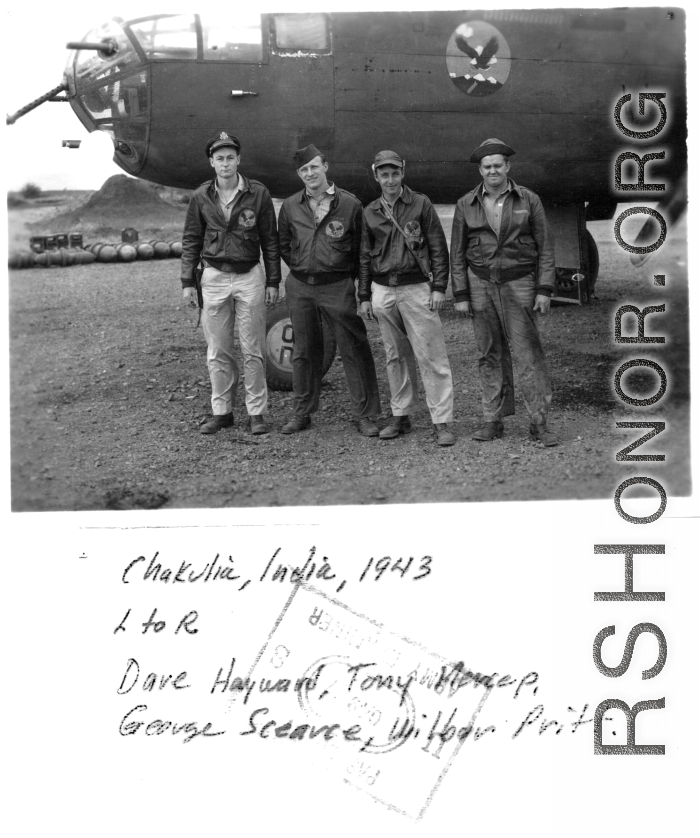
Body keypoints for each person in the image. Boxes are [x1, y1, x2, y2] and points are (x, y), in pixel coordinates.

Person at [450, 138, 559, 446]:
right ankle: (492, 420)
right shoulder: (465, 204)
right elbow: (456, 254)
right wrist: (460, 294)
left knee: (528, 355)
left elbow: (546, 247)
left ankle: (539, 423)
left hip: (520, 283)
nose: (492, 171)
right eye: (487, 167)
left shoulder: (528, 199)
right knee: (488, 354)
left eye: (498, 165)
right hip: (480, 284)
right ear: (480, 171)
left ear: (508, 167)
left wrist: (544, 288)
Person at [181, 132, 281, 435]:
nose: (225, 163)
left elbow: (270, 241)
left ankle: (256, 413)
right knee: (218, 350)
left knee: (253, 349)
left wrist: (273, 280)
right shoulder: (201, 196)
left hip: (250, 276)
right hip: (213, 277)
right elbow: (191, 240)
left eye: (230, 157)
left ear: (239, 160)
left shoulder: (258, 193)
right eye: (219, 158)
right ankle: (222, 411)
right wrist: (187, 281)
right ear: (212, 162)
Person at [278, 144, 381, 436]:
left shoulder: (350, 204)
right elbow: (284, 245)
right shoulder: (289, 206)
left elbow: (362, 252)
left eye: (314, 167)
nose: (310, 173)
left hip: (337, 285)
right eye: (303, 170)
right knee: (304, 350)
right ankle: (302, 413)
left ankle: (364, 414)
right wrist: (301, 266)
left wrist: (361, 290)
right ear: (299, 174)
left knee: (353, 347)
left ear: (325, 166)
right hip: (300, 285)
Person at [359, 150, 456, 447]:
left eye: (395, 173)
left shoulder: (420, 203)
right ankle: (401, 415)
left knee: (431, 355)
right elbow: (364, 256)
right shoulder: (370, 211)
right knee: (394, 356)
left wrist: (439, 287)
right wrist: (364, 295)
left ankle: (442, 422)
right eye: (384, 174)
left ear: (403, 172)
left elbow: (438, 247)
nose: (390, 180)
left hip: (416, 289)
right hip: (383, 290)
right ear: (376, 176)